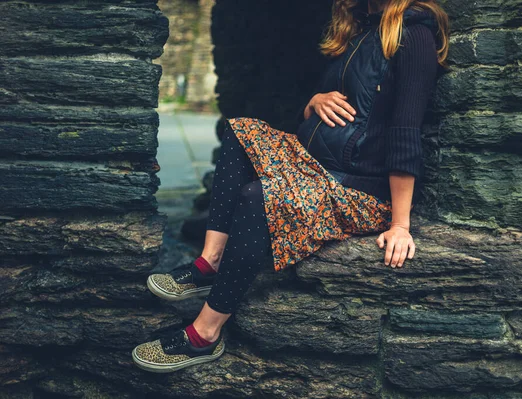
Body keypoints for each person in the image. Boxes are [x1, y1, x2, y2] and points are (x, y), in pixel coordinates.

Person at [132, 0, 450, 373]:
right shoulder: (361, 25)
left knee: (258, 197)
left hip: (358, 190)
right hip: (318, 165)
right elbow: (327, 98)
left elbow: (405, 130)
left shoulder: (414, 35)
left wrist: (400, 224)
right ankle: (210, 262)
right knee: (240, 131)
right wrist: (313, 102)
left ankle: (205, 334)